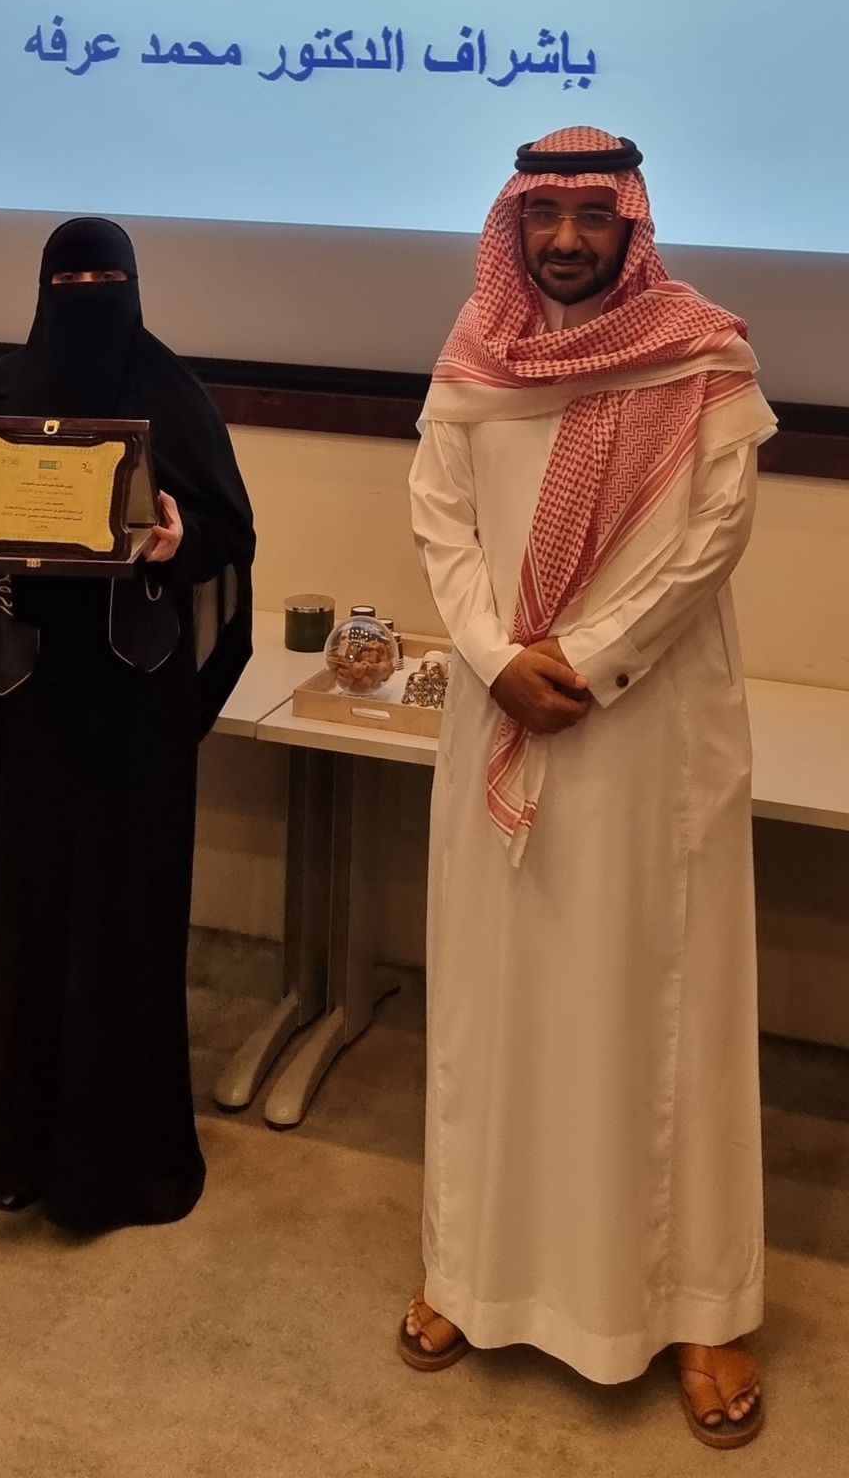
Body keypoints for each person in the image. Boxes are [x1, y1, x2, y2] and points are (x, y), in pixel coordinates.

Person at [404, 128, 776, 1447]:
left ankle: (699, 1305)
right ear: (516, 225)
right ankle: (474, 1271)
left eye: (590, 215)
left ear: (631, 222)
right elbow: (440, 517)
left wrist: (588, 657)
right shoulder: (475, 352)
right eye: (544, 216)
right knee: (498, 1007)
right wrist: (495, 657)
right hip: (503, 707)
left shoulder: (703, 354)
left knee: (667, 1015)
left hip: (648, 732)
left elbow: (714, 534)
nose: (566, 239)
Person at [0, 217, 255, 1233]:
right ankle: (5, 1147)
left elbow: (230, 528)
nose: (89, 294)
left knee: (118, 918)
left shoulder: (171, 395)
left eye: (106, 278)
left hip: (126, 710)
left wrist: (180, 538)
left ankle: (118, 1166)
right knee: (8, 908)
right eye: (72, 279)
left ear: (133, 288)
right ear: (42, 288)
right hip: (12, 700)